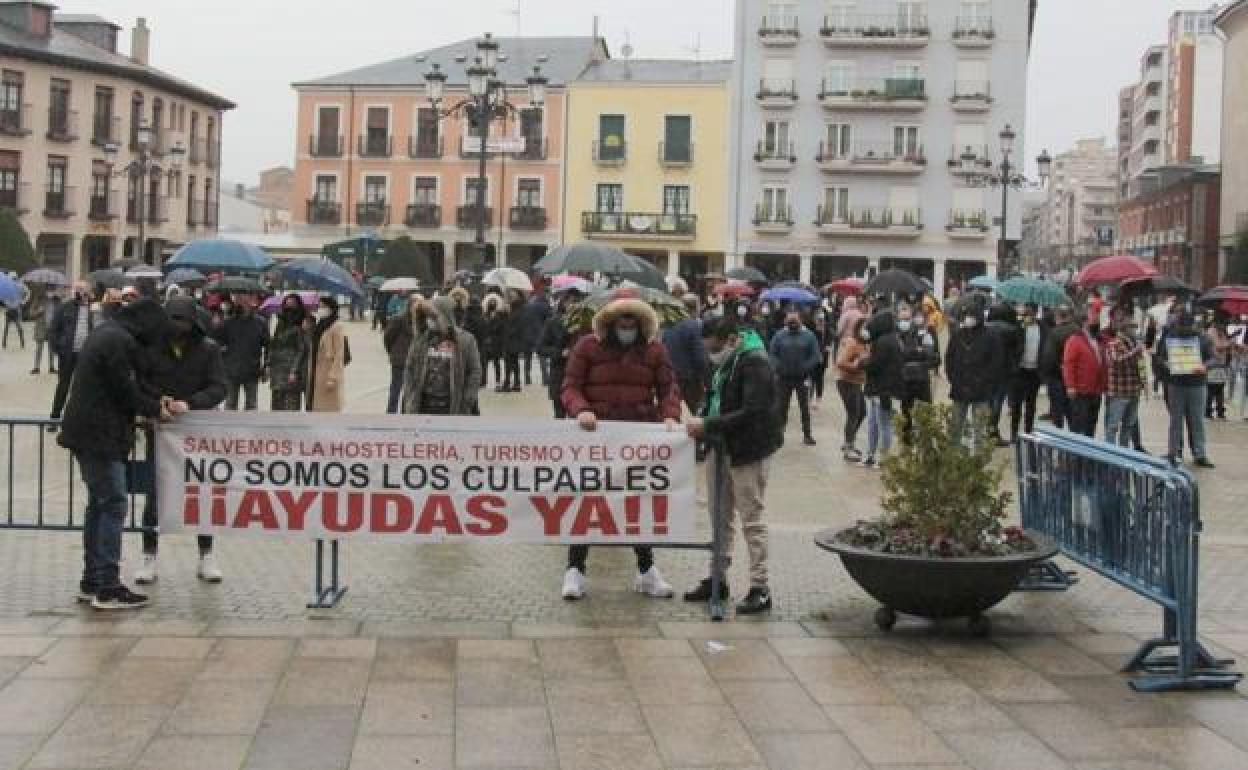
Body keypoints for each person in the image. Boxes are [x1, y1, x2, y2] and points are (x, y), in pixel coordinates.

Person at [58, 298, 179, 610]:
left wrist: (157, 398)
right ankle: (108, 586)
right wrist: (156, 409)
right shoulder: (119, 340)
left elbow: (130, 383)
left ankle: (92, 580)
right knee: (113, 504)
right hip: (100, 436)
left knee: (98, 506)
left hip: (90, 433)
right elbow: (124, 388)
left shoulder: (109, 332)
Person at [560, 295, 681, 601]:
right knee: (587, 502)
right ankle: (574, 570)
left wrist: (669, 414)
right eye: (622, 322)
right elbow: (570, 386)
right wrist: (580, 409)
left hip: (637, 440)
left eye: (632, 322)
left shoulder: (654, 350)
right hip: (595, 439)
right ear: (611, 323)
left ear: (640, 324)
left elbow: (668, 387)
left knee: (637, 503)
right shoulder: (587, 346)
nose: (627, 328)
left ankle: (646, 570)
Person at [683, 318, 780, 614]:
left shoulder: (755, 363)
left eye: (714, 348)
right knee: (719, 516)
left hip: (747, 451)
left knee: (751, 517)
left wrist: (708, 424)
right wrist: (704, 416)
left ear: (731, 339)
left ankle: (760, 586)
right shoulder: (728, 363)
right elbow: (717, 398)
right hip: (721, 447)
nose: (711, 354)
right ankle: (717, 579)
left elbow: (754, 411)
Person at [134, 296, 227, 585]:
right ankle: (149, 557)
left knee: (201, 494)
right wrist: (155, 403)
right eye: (172, 321)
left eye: (182, 322)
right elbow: (139, 383)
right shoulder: (151, 349)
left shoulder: (208, 350)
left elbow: (220, 387)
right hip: (160, 431)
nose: (177, 328)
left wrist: (192, 403)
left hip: (196, 434)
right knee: (154, 495)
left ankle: (206, 555)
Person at [401, 296, 482, 415]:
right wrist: (410, 394)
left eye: (433, 316)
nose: (430, 320)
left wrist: (467, 399)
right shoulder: (422, 339)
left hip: (453, 406)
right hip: (423, 405)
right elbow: (409, 368)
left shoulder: (465, 340)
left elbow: (475, 371)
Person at [1156, 310, 1216, 468]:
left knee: (1197, 421)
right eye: (1181, 325)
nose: (1183, 329)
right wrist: (1166, 364)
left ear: (1192, 324)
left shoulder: (1203, 338)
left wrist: (1205, 366)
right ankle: (1173, 453)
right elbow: (1160, 357)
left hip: (1197, 384)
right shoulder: (1171, 337)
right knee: (1175, 420)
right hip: (1176, 384)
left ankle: (1200, 453)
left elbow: (1214, 358)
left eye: (1186, 326)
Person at [945, 298, 1001, 447]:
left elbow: (995, 363)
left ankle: (979, 461)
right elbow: (949, 358)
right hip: (960, 387)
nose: (968, 319)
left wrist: (985, 380)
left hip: (981, 389)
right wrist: (954, 378)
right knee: (955, 426)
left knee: (979, 429)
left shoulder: (990, 336)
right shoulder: (958, 335)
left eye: (971, 315)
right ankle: (953, 457)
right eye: (966, 316)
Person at [769, 309, 822, 446]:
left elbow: (816, 356)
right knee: (781, 407)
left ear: (801, 321)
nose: (792, 323)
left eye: (795, 321)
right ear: (786, 321)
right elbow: (772, 353)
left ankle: (807, 434)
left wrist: (805, 367)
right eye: (789, 321)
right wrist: (778, 366)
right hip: (783, 378)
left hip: (802, 378)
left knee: (804, 407)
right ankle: (778, 435)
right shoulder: (779, 335)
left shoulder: (809, 336)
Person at [48, 282, 95, 429]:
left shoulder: (94, 309)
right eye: (79, 290)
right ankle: (54, 418)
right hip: (67, 354)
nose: (82, 292)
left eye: (85, 290)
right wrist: (57, 348)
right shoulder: (65, 307)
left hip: (86, 355)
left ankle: (80, 420)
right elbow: (53, 329)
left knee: (83, 387)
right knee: (63, 386)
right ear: (75, 291)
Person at [212, 294, 269, 411]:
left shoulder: (260, 322)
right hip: (231, 370)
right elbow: (216, 342)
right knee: (230, 404)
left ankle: (250, 428)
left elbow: (268, 345)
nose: (240, 301)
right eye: (238, 298)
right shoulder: (228, 322)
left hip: (252, 369)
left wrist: (266, 366)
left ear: (251, 301)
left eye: (243, 298)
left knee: (251, 406)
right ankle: (231, 429)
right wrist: (216, 326)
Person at [862, 310, 903, 469]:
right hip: (880, 389)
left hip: (883, 390)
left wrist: (863, 362)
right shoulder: (891, 340)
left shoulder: (884, 342)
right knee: (874, 423)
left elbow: (875, 365)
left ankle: (882, 458)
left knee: (883, 424)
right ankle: (871, 455)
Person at [896, 302, 939, 443]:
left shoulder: (930, 331)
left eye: (922, 316)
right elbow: (901, 354)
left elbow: (935, 357)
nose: (919, 319)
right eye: (916, 316)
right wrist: (918, 352)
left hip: (922, 378)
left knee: (925, 410)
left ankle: (925, 440)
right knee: (906, 411)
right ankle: (906, 440)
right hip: (906, 378)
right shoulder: (904, 332)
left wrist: (922, 358)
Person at [538, 288, 584, 418]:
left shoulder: (586, 323)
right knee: (559, 416)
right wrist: (560, 352)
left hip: (579, 377)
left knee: (578, 415)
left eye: (577, 301)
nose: (573, 305)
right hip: (559, 374)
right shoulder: (552, 322)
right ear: (563, 302)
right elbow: (541, 347)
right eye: (570, 301)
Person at [1062, 311, 1107, 438]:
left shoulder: (1098, 339)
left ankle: (1087, 455)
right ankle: (1076, 456)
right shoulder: (1075, 340)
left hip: (1096, 389)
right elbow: (1068, 364)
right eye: (1094, 320)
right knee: (1079, 425)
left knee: (1091, 424)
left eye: (1098, 320)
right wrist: (1070, 385)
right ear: (1085, 323)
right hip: (1081, 390)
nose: (1097, 323)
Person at [662, 294, 708, 416]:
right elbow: (700, 357)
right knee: (692, 413)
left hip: (670, 377)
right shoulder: (695, 326)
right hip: (689, 380)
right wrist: (706, 379)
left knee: (675, 411)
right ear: (695, 308)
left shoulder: (669, 325)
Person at [1104, 312, 1146, 448]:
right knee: (1113, 426)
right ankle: (1110, 454)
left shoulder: (1134, 343)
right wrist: (1134, 352)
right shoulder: (1114, 343)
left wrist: (1144, 384)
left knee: (1129, 424)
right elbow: (1115, 361)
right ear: (1125, 329)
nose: (1135, 329)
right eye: (1133, 327)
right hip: (1119, 392)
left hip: (1134, 391)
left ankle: (1124, 451)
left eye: (1136, 326)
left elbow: (1140, 366)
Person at [1008, 303, 1046, 443]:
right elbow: (1012, 346)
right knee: (1017, 404)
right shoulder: (1019, 327)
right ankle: (1014, 433)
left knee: (1031, 404)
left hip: (1034, 371)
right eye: (1027, 313)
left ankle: (1028, 432)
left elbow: (1045, 345)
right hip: (1020, 370)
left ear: (1036, 313)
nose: (1029, 315)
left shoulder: (1042, 328)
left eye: (1032, 313)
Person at [986, 304, 1022, 447]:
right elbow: (1018, 351)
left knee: (988, 401)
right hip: (1004, 371)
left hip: (987, 370)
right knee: (997, 401)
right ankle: (992, 431)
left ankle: (987, 429)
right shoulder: (1012, 330)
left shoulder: (985, 327)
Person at [835, 317, 869, 461]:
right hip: (847, 382)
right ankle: (848, 448)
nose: (867, 330)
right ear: (858, 328)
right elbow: (841, 362)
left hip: (857, 383)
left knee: (862, 412)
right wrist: (856, 366)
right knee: (853, 414)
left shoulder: (864, 344)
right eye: (864, 327)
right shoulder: (853, 343)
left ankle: (849, 441)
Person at [268, 294, 311, 412]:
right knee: (276, 406)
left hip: (291, 370)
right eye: (287, 303)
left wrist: (294, 371)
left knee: (291, 406)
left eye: (292, 303)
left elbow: (302, 350)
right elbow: (274, 345)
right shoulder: (280, 323)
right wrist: (268, 364)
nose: (289, 305)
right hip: (277, 370)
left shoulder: (303, 324)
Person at [1040, 305, 1079, 429]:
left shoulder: (1055, 333)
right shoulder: (1079, 331)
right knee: (1073, 414)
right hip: (1075, 379)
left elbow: (1048, 358)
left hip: (1057, 378)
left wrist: (1045, 375)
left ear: (1058, 317)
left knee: (1057, 413)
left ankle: (1059, 438)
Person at [307, 296, 347, 413]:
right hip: (315, 370)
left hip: (327, 373)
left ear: (331, 308)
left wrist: (333, 377)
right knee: (315, 407)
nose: (321, 309)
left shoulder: (336, 326)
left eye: (324, 307)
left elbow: (339, 354)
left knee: (328, 409)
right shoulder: (320, 324)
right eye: (319, 306)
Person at [382, 292, 419, 414]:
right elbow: (388, 337)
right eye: (416, 303)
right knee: (396, 388)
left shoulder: (421, 321)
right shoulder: (399, 318)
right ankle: (391, 413)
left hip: (414, 361)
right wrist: (392, 352)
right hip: (400, 359)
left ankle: (405, 412)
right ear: (410, 305)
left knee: (409, 390)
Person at [500, 289, 529, 392]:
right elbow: (503, 324)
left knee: (511, 361)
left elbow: (517, 325)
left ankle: (510, 383)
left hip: (515, 339)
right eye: (510, 296)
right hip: (509, 339)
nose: (510, 297)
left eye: (512, 296)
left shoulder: (520, 309)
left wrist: (507, 317)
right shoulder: (510, 308)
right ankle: (513, 383)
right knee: (511, 361)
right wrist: (503, 314)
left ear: (518, 297)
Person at [1205, 320, 1232, 419]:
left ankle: (1220, 411)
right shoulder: (1211, 332)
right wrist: (1229, 343)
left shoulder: (1221, 332)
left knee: (1220, 388)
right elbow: (1218, 346)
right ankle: (1208, 411)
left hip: (1221, 364)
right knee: (1212, 389)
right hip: (1213, 365)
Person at [480, 292, 507, 387]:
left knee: (496, 363)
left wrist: (495, 319)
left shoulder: (499, 315)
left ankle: (498, 380)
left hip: (495, 343)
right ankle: (483, 381)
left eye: (493, 302)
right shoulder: (484, 315)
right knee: (484, 363)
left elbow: (500, 328)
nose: (492, 303)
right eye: (490, 302)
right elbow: (484, 328)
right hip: (486, 342)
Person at [30, 291, 60, 374]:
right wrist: (39, 311)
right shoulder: (39, 299)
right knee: (39, 348)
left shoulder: (57, 300)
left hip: (52, 327)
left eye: (52, 288)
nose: (50, 291)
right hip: (41, 327)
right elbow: (31, 313)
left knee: (52, 349)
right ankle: (36, 367)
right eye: (48, 288)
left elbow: (61, 313)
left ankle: (51, 367)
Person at [809, 310, 833, 410]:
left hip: (823, 358)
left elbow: (829, 342)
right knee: (811, 379)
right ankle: (809, 400)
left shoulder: (827, 330)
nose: (820, 321)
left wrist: (827, 347)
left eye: (822, 320)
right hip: (813, 358)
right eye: (818, 319)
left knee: (819, 379)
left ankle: (818, 400)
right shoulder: (811, 329)